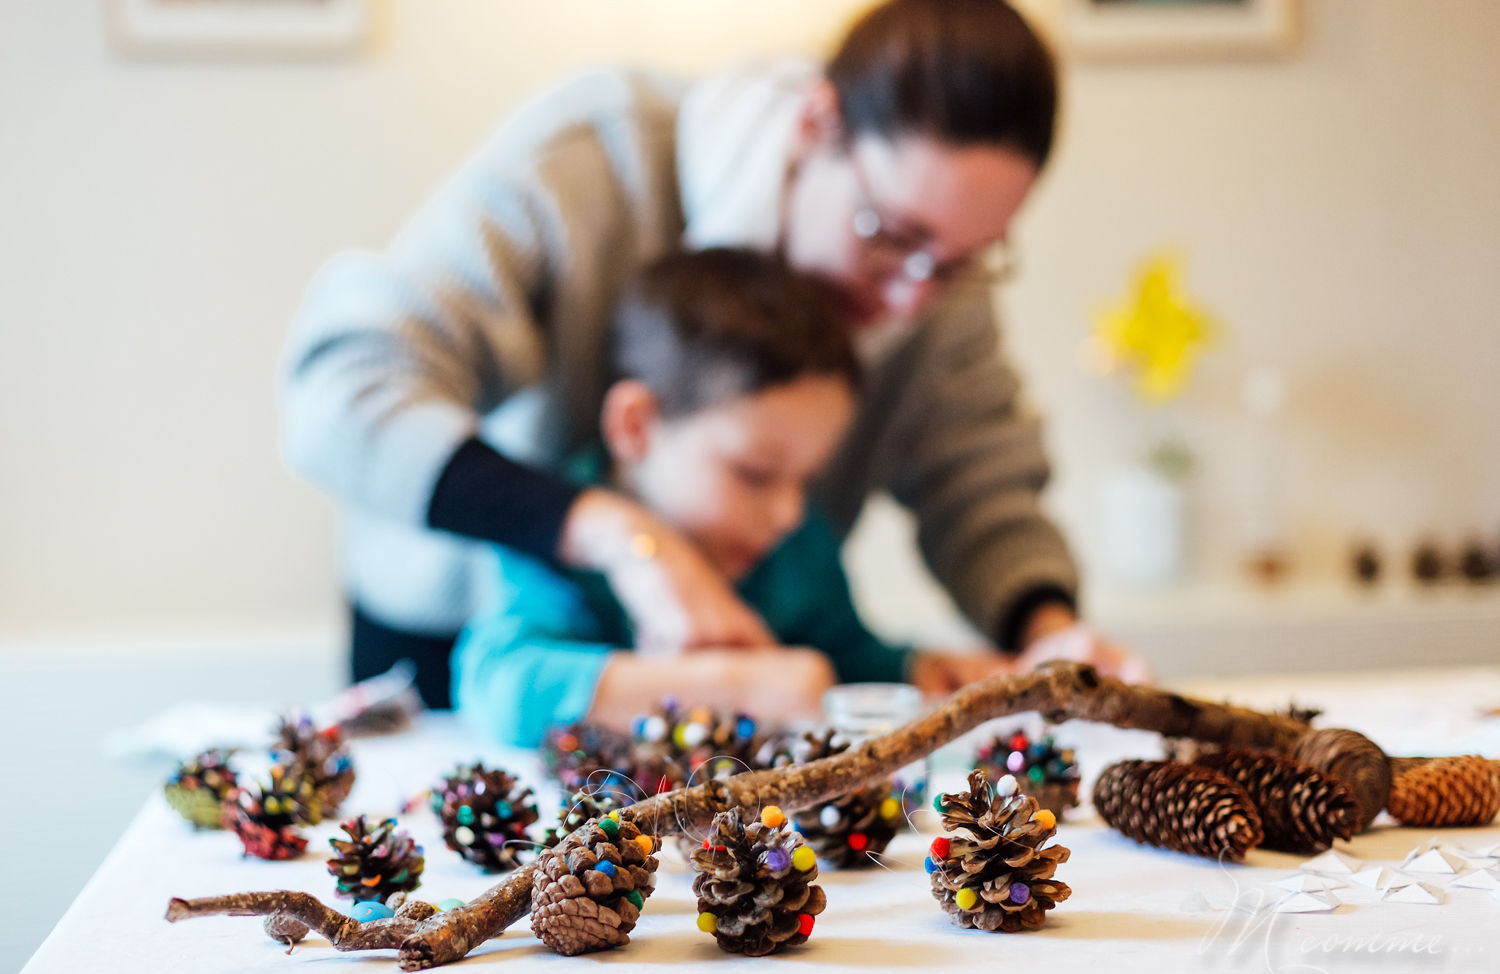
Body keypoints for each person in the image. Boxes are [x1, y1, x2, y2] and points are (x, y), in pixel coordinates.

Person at [280, 0, 1144, 711]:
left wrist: (1045, 635)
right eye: (891, 235)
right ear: (818, 123)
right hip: (465, 643)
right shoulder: (596, 158)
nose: (915, 296)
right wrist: (625, 536)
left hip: (735, 664)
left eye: (961, 261)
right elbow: (345, 389)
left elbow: (980, 480)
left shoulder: (930, 279)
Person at [454, 248, 1008, 746]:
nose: (790, 512)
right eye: (756, 473)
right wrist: (742, 683)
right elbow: (501, 683)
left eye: (806, 479)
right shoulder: (559, 534)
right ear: (638, 426)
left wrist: (915, 669)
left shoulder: (798, 545)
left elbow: (844, 655)